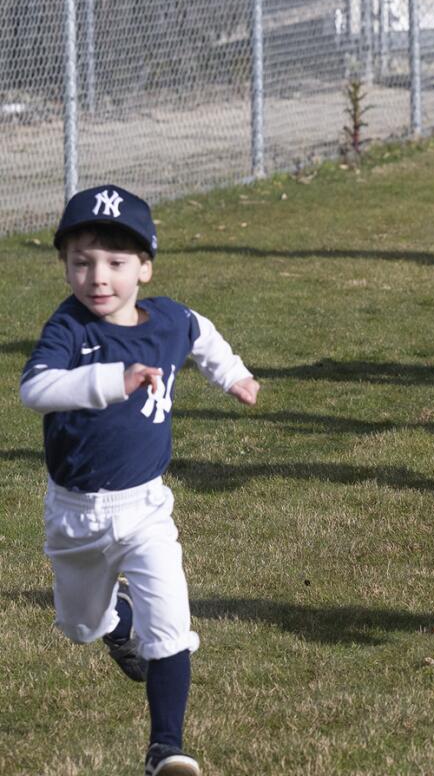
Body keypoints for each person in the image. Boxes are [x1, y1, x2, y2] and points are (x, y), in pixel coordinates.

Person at [19, 185, 260, 776]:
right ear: (66, 266)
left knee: (171, 624)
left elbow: (201, 334)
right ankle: (113, 623)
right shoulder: (70, 328)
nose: (98, 277)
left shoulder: (169, 319)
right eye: (82, 262)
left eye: (116, 263)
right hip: (75, 514)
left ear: (145, 268)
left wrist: (233, 375)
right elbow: (35, 389)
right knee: (80, 625)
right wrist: (111, 379)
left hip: (147, 506)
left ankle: (166, 749)